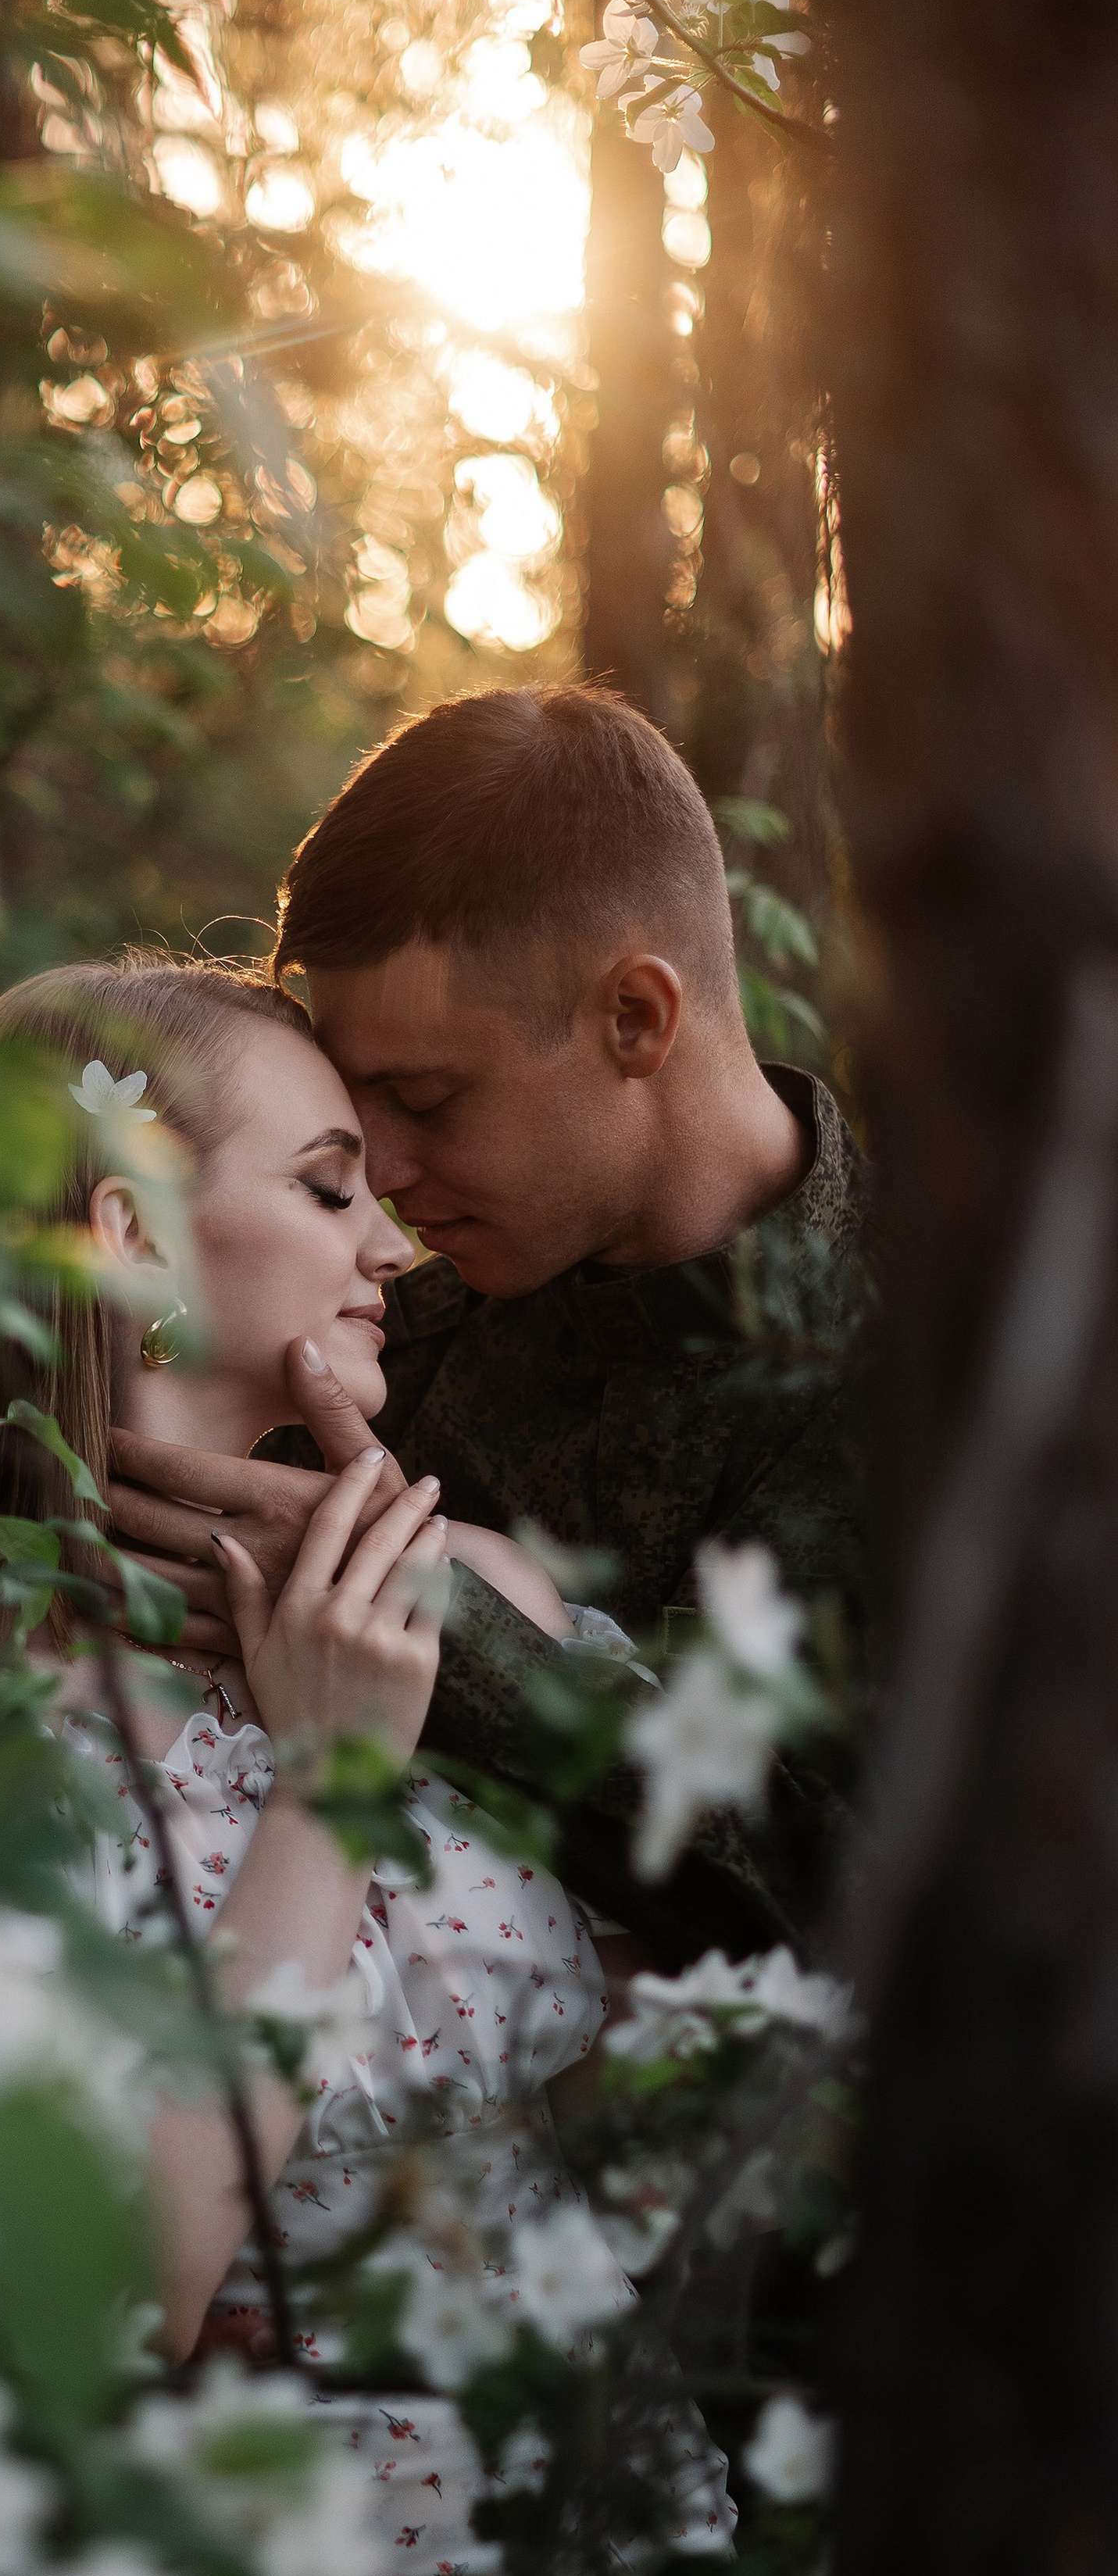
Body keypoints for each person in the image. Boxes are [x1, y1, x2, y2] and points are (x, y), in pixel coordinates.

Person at [0, 957, 784, 2576]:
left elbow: (704, 2153)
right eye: (326, 1184)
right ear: (125, 1231)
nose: (392, 1242)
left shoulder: (478, 1613)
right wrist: (328, 1783)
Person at [105, 688, 869, 1967]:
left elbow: (882, 1912)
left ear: (638, 1018)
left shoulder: (969, 1388)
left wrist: (434, 1622)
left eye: (423, 1097)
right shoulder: (357, 1315)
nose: (382, 1181)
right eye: (354, 1117)